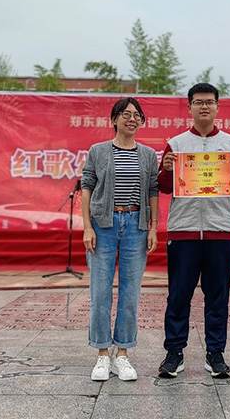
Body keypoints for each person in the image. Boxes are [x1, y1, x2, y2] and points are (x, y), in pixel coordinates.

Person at [156, 83, 230, 379]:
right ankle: (174, 352)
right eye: (198, 102)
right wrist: (166, 169)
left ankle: (215, 353)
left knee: (218, 297)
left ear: (218, 107)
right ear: (190, 108)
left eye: (210, 102)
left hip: (220, 232)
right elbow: (164, 187)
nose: (204, 106)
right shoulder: (177, 144)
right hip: (183, 232)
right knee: (178, 295)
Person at [80, 97, 159, 382]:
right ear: (114, 120)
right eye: (125, 114)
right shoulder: (98, 151)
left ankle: (122, 354)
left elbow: (153, 190)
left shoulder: (148, 154)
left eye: (137, 115)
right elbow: (87, 187)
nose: (132, 119)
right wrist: (87, 227)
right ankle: (102, 354)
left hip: (136, 225)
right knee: (100, 291)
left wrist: (153, 227)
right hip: (103, 225)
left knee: (130, 292)